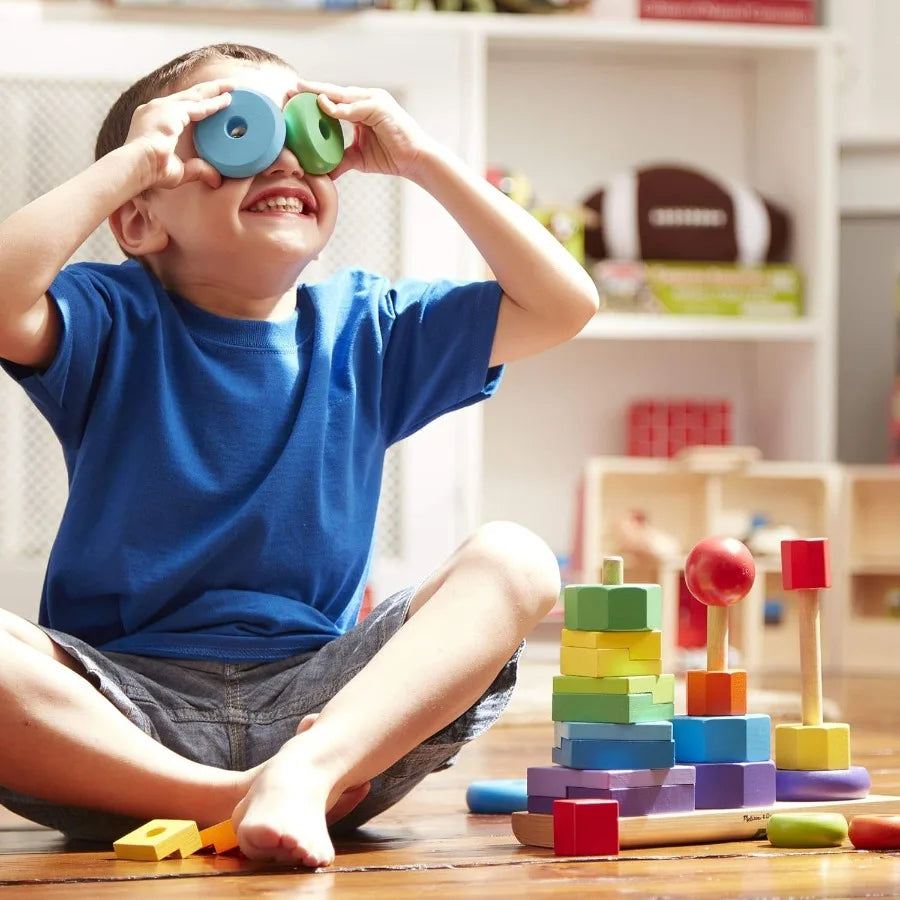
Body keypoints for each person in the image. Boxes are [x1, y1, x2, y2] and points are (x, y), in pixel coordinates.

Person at [0, 43, 599, 867]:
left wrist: (421, 159)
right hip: (121, 729)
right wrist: (137, 158)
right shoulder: (108, 316)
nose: (279, 151)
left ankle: (299, 775)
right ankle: (227, 798)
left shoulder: (371, 328)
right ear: (139, 218)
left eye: (304, 129)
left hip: (328, 712)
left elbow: (564, 304)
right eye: (226, 131)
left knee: (517, 559)